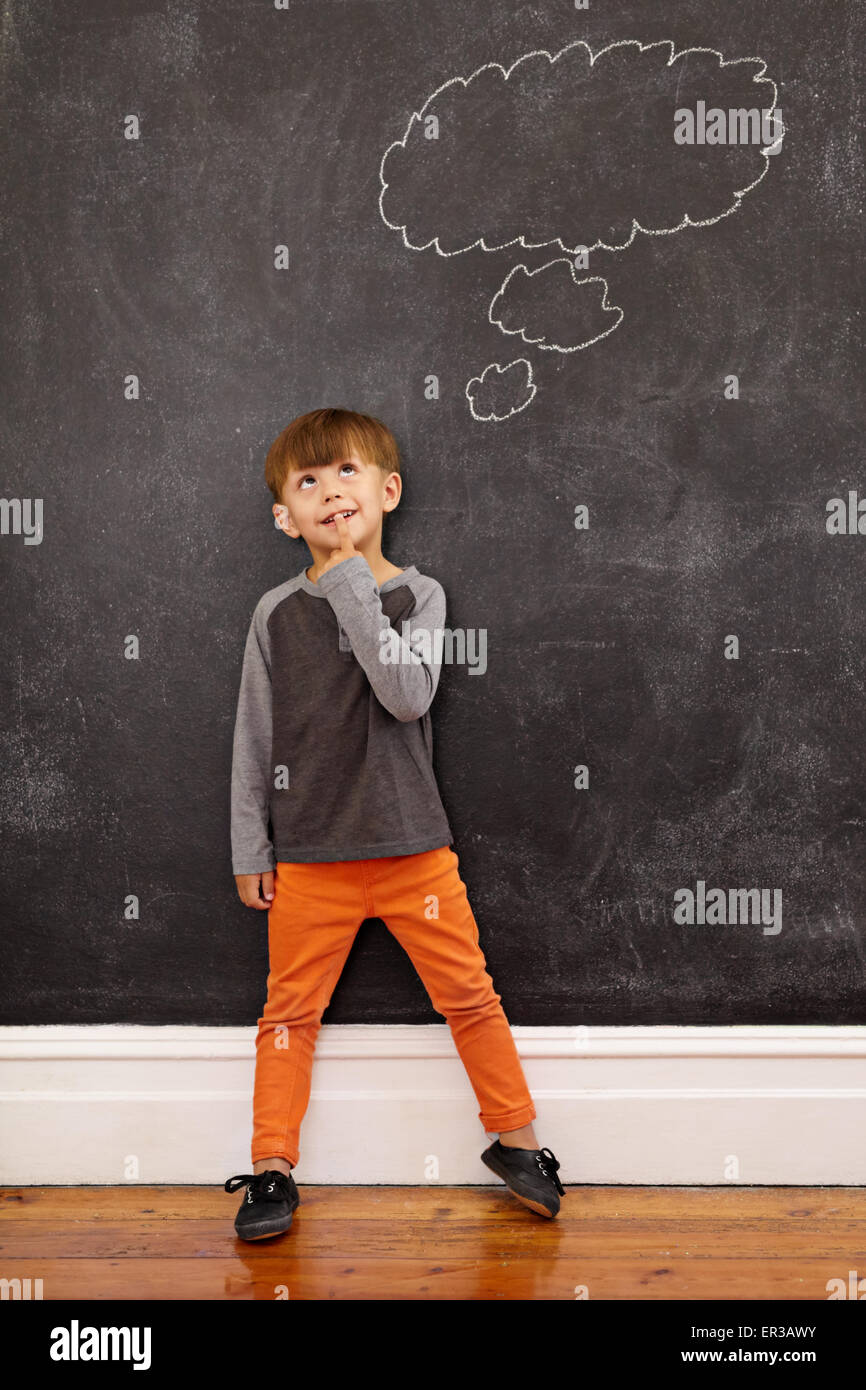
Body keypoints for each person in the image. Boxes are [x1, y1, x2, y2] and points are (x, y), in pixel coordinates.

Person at [223, 407, 565, 1240]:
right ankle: (271, 1170)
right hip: (310, 856)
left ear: (387, 490)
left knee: (471, 997)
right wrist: (249, 844)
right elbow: (252, 735)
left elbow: (407, 695)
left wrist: (348, 582)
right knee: (288, 1014)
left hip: (415, 850)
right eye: (307, 483)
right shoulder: (272, 614)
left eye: (346, 473)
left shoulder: (420, 595)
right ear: (284, 515)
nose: (329, 492)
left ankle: (520, 1144)